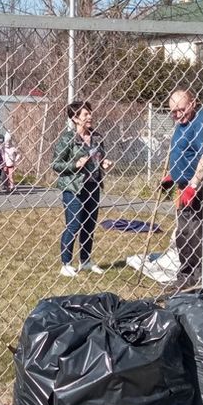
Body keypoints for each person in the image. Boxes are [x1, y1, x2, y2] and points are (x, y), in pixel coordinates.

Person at [52, 100, 113, 276]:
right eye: (85, 114)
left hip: (93, 186)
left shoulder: (97, 137)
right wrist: (74, 164)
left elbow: (100, 157)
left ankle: (85, 260)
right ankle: (65, 263)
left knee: (89, 225)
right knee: (74, 225)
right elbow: (56, 164)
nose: (90, 116)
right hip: (73, 188)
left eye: (89, 113)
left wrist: (104, 162)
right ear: (75, 118)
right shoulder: (67, 139)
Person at [161, 88, 203, 281]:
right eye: (173, 111)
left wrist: (193, 185)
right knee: (182, 233)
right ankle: (186, 274)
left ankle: (196, 277)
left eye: (181, 109)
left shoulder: (200, 123)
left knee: (193, 233)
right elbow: (184, 153)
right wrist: (172, 175)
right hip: (182, 187)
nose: (178, 115)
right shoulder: (182, 124)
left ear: (193, 103)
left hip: (198, 189)